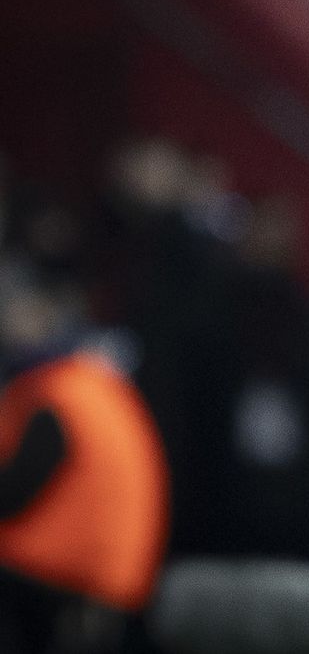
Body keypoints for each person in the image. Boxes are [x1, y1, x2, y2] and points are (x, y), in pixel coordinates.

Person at [0, 269, 169, 654]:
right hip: (110, 577)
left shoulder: (59, 394)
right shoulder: (93, 384)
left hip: (65, 574)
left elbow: (13, 492)